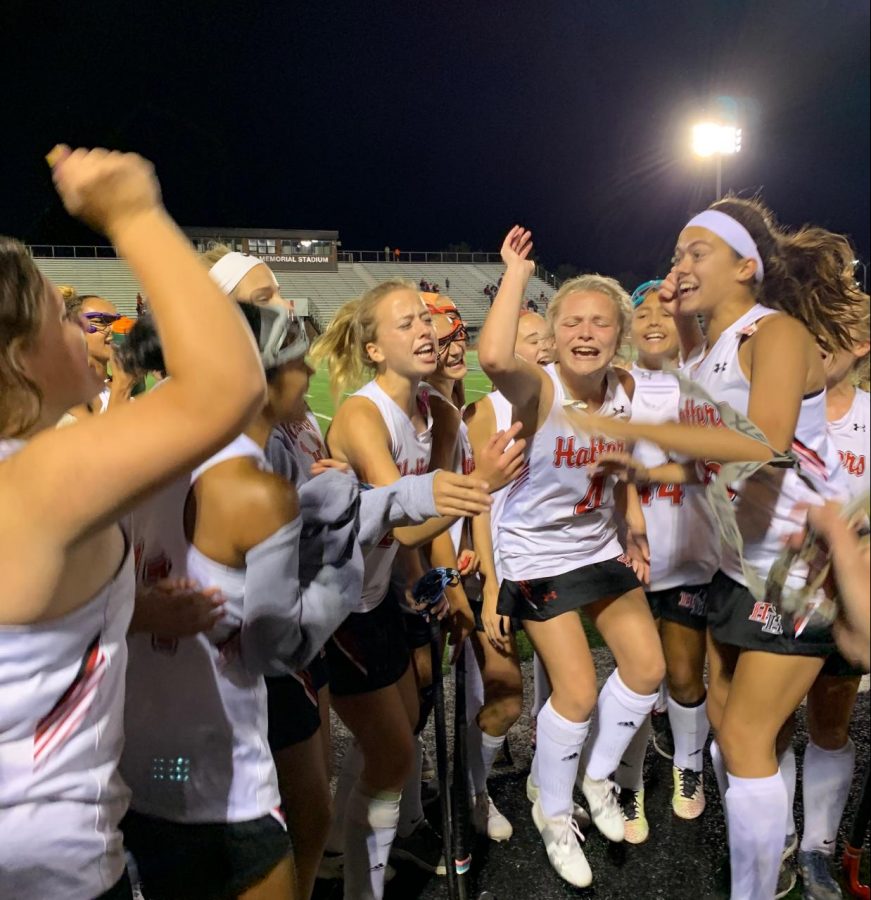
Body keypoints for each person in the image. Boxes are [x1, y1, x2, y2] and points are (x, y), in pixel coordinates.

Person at [579, 198, 866, 899]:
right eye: (675, 252)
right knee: (735, 735)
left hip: (797, 571)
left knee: (743, 738)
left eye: (696, 251)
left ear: (746, 265)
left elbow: (764, 443)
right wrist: (646, 470)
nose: (680, 265)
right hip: (743, 570)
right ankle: (764, 870)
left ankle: (761, 884)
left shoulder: (774, 333)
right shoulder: (715, 346)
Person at [0, 145, 265, 900]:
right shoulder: (29, 482)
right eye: (63, 314)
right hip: (48, 872)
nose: (88, 332)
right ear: (21, 357)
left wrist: (133, 608)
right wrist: (131, 212)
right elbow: (225, 385)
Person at [309, 281, 523, 900]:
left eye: (427, 321)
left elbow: (427, 527)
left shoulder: (443, 413)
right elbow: (399, 519)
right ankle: (354, 877)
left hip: (382, 595)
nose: (426, 331)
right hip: (341, 601)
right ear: (374, 349)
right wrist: (480, 481)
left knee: (399, 735)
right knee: (394, 750)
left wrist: (438, 587)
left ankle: (349, 844)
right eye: (406, 324)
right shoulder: (361, 412)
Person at [478, 227, 665, 889]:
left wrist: (634, 527)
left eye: (601, 323)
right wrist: (515, 276)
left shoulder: (624, 388)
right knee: (577, 691)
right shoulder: (540, 389)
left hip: (598, 546)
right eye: (573, 322)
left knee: (646, 669)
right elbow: (495, 355)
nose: (586, 333)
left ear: (618, 335)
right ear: (553, 336)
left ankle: (594, 775)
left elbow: (619, 465)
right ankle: (550, 809)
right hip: (537, 557)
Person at [607, 280, 718, 842]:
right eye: (641, 312)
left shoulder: (704, 379)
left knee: (682, 676)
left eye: (664, 311)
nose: (653, 320)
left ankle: (688, 768)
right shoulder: (615, 383)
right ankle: (628, 783)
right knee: (635, 677)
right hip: (630, 557)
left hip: (690, 556)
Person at [793, 312, 870, 900]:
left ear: (861, 344)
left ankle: (817, 848)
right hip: (773, 589)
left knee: (830, 721)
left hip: (844, 599)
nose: (815, 342)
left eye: (829, 332)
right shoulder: (776, 407)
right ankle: (768, 841)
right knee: (755, 724)